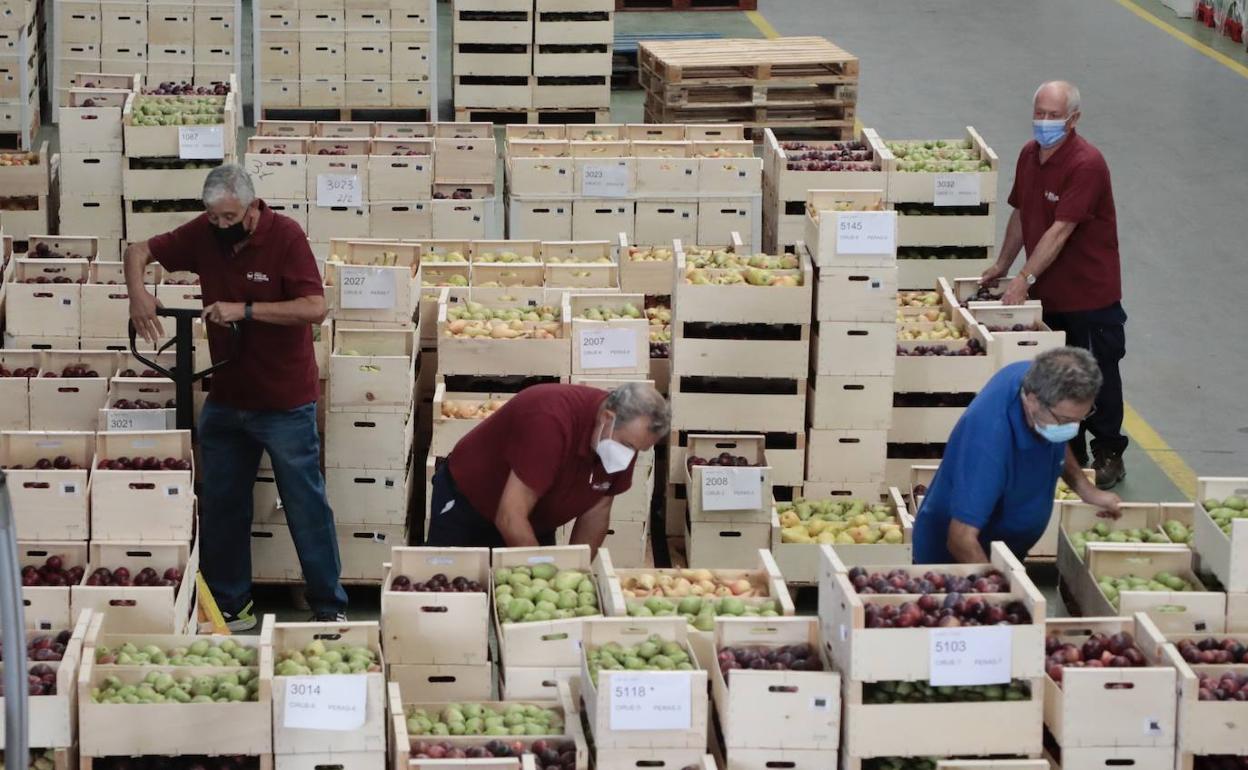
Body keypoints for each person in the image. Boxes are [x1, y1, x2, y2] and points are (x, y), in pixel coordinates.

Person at [124, 164, 348, 630]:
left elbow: (315, 308)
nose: (220, 226)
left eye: (228, 218)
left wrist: (244, 311)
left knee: (305, 502)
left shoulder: (285, 237)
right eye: (213, 218)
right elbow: (138, 249)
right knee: (223, 502)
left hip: (284, 401)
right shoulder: (204, 234)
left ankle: (329, 603)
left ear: (251, 209)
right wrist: (138, 294)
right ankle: (232, 604)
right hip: (226, 394)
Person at [982, 80, 1129, 489]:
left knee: (1097, 374)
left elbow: (1061, 230)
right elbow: (1020, 214)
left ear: (1073, 119)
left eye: (1053, 115)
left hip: (1088, 294)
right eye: (1040, 113)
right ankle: (1072, 451)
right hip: (1049, 295)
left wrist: (1024, 279)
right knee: (1060, 375)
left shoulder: (1087, 164)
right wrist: (1002, 265)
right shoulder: (1030, 155)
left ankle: (1108, 451)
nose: (1044, 122)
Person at [912, 347, 1122, 564]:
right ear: (1032, 401)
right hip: (962, 566)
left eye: (1081, 418)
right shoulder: (988, 442)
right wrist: (1000, 590)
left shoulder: (1037, 379)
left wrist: (1085, 489)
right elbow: (960, 539)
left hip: (1005, 552)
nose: (1073, 428)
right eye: (1065, 421)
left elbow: (1057, 438)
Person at [427, 382, 669, 551]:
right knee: (451, 596)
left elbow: (597, 512)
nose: (629, 456)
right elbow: (510, 516)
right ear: (607, 418)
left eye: (638, 449)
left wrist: (574, 573)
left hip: (533, 521)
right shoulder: (549, 421)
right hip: (469, 506)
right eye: (627, 445)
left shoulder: (624, 437)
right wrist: (542, 573)